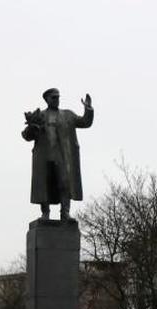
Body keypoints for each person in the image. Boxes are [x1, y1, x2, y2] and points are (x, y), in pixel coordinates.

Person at [22, 88, 93, 220]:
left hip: (62, 156)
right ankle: (45, 213)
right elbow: (26, 136)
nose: (56, 100)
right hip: (44, 156)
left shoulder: (68, 115)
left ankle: (65, 212)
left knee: (65, 182)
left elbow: (85, 122)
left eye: (58, 97)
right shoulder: (40, 116)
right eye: (53, 98)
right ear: (47, 100)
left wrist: (88, 109)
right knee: (44, 184)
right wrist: (32, 127)